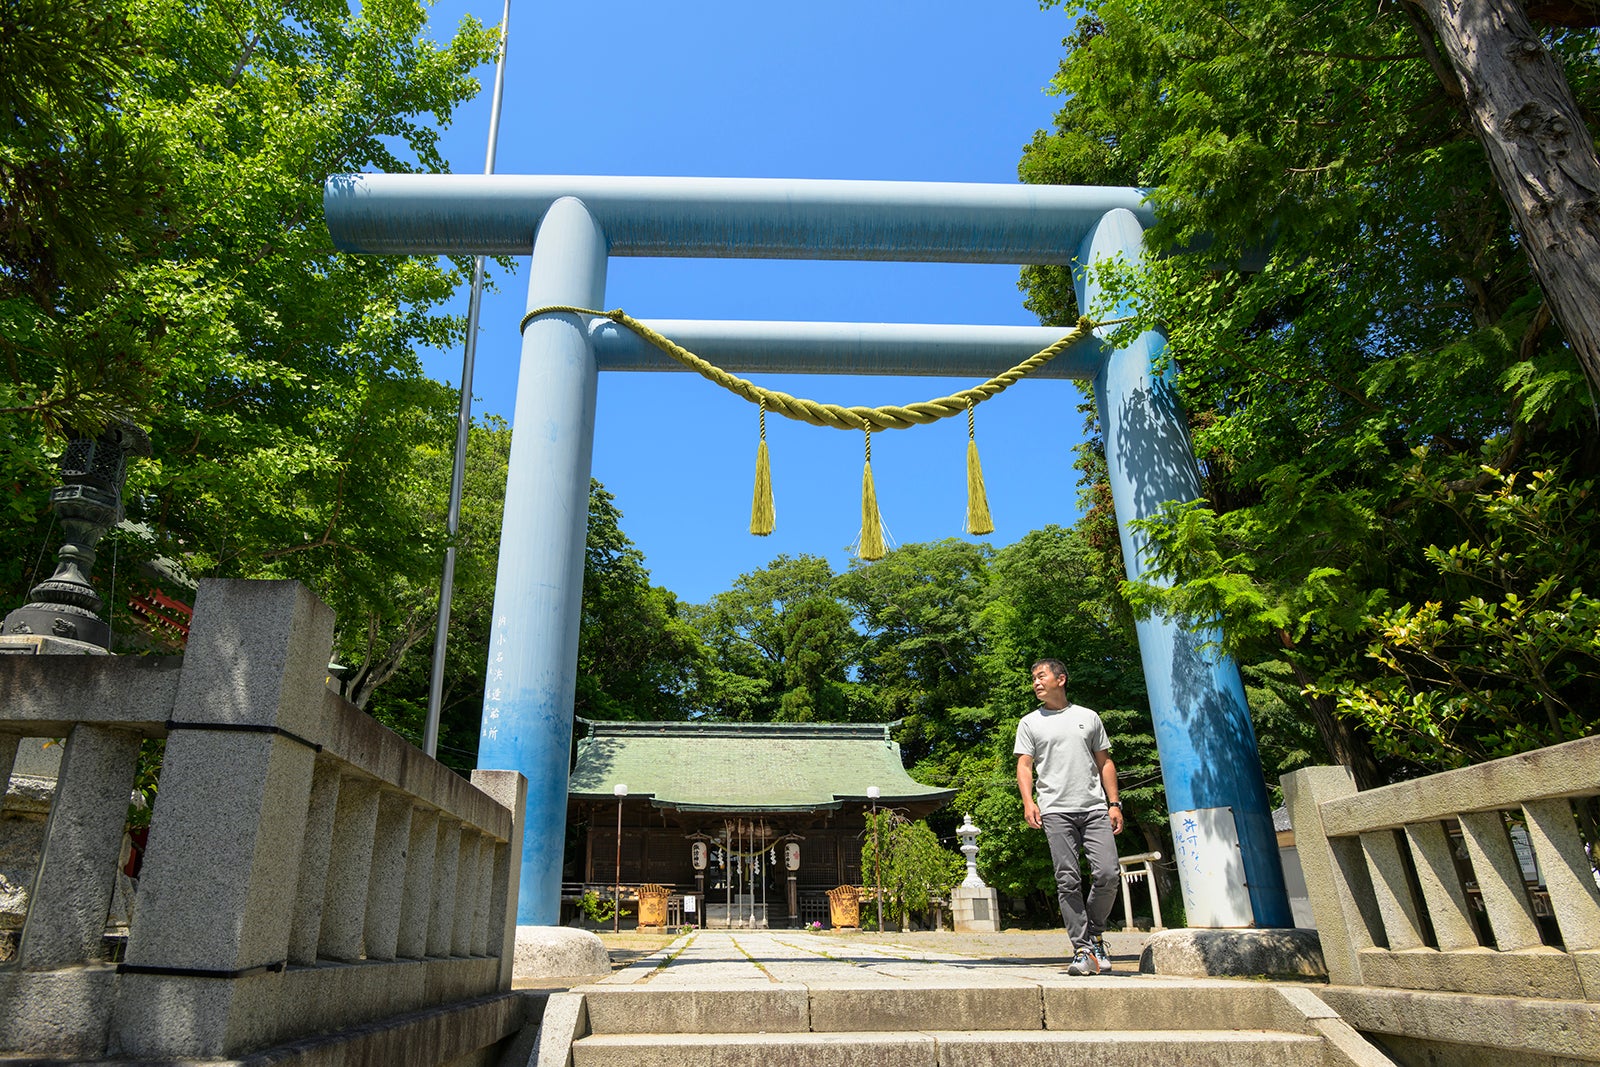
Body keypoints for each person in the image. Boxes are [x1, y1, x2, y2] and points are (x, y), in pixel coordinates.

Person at [1014, 658, 1123, 976]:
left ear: (1061, 679)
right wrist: (1028, 801)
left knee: (1108, 874)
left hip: (1093, 807)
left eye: (1041, 676)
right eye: (1033, 677)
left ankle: (1095, 933)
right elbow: (1024, 765)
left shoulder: (1088, 717)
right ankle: (1083, 949)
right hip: (1055, 810)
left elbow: (1105, 762)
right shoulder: (1029, 723)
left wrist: (1114, 803)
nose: (1036, 682)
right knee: (1068, 880)